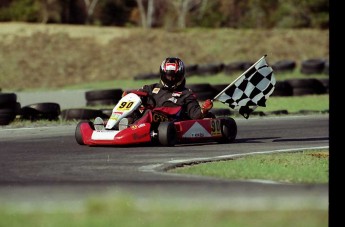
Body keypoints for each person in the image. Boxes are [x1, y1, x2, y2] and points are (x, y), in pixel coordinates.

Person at [120, 57, 213, 128]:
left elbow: (194, 115)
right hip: (146, 121)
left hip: (170, 123)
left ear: (180, 76)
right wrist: (128, 97)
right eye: (168, 76)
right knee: (131, 111)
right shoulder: (150, 88)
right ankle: (112, 126)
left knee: (151, 113)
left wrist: (203, 110)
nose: (170, 79)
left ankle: (132, 128)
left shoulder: (186, 94)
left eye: (173, 77)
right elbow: (137, 96)